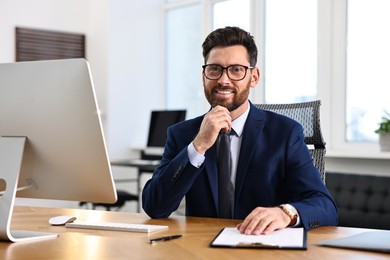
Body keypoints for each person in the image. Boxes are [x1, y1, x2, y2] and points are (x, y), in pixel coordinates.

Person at [142, 26, 338, 235]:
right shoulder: (182, 134)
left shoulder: (285, 133)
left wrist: (285, 213)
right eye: (214, 69)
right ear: (204, 75)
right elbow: (155, 206)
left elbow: (325, 207)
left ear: (254, 77)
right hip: (200, 248)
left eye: (236, 69)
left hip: (260, 247)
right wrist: (198, 147)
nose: (223, 80)